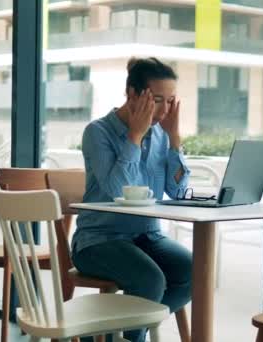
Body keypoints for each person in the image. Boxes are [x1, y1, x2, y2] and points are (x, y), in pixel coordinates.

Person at [71, 57, 192, 342]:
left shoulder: (163, 135)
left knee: (195, 270)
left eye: (170, 101)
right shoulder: (97, 132)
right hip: (98, 241)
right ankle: (126, 337)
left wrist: (174, 140)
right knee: (150, 279)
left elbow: (177, 192)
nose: (164, 110)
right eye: (157, 100)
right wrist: (135, 136)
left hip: (147, 237)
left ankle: (111, 334)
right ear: (133, 93)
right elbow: (118, 190)